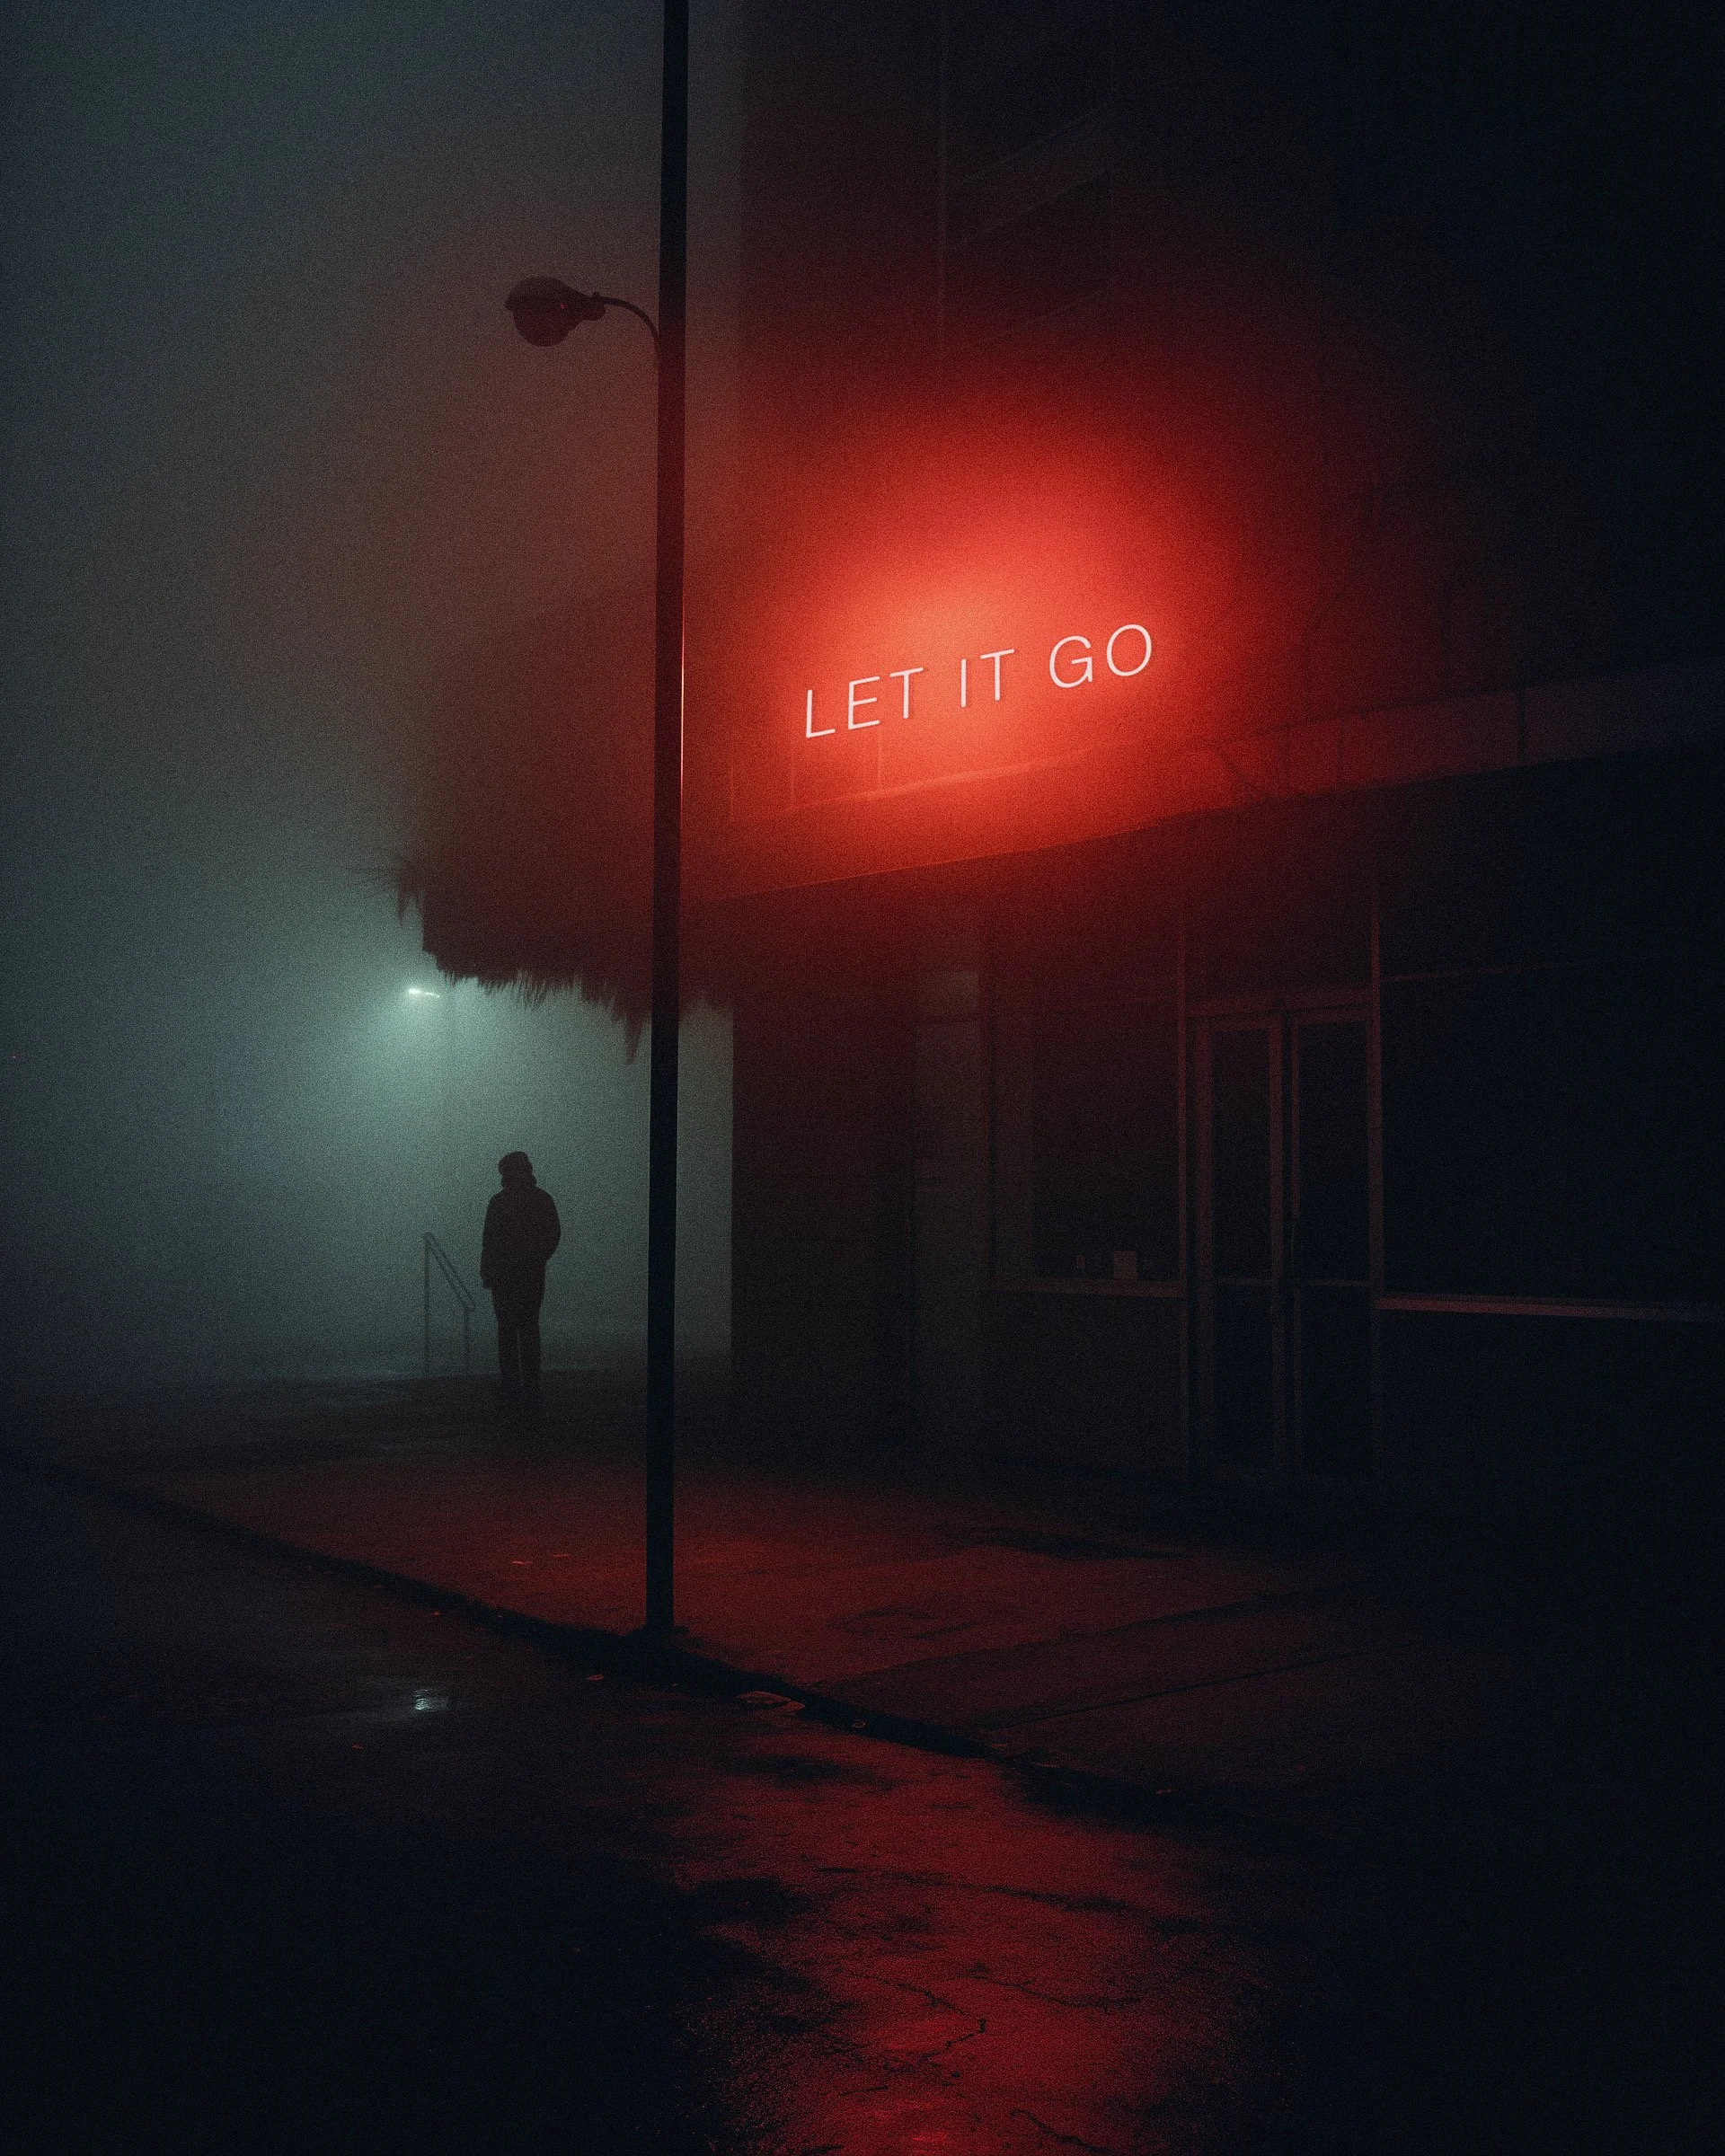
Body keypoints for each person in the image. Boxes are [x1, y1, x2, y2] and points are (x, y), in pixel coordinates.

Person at [479, 1151, 561, 1417]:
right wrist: (538, 1257)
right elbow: (553, 1233)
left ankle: (512, 1382)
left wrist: (488, 1271)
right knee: (527, 1327)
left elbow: (489, 1241)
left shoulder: (499, 1203)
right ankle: (530, 1383)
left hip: (507, 1275)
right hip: (529, 1274)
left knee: (508, 1329)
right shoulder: (541, 1200)